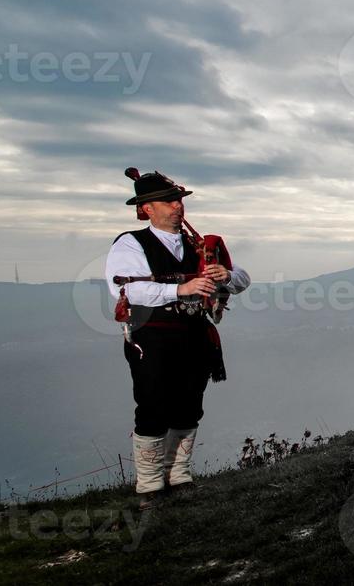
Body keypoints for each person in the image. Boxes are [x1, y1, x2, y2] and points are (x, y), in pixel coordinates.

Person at [104, 168, 250, 508]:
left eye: (178, 199)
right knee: (153, 404)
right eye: (167, 201)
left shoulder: (198, 245)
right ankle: (150, 484)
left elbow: (242, 279)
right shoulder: (131, 243)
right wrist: (180, 288)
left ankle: (178, 474)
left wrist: (226, 275)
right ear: (146, 209)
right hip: (151, 336)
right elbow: (127, 287)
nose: (176, 206)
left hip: (195, 334)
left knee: (188, 405)